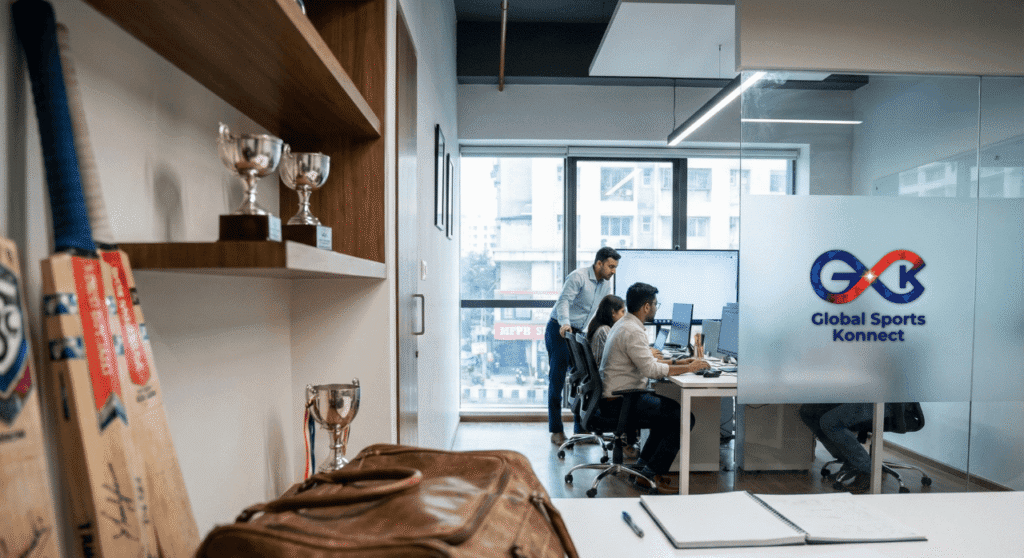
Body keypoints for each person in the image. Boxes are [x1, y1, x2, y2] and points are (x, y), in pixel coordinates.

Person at [598, 282, 710, 492]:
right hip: (621, 401)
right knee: (682, 417)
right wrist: (689, 368)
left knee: (669, 416)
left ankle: (644, 472)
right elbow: (651, 369)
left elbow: (645, 362)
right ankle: (651, 473)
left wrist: (682, 363)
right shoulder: (633, 331)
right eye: (656, 304)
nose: (657, 308)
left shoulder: (624, 325)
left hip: (618, 398)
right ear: (647, 307)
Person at [546, 247, 621, 445]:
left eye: (615, 267)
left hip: (578, 332)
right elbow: (564, 301)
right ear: (599, 263)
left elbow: (603, 311)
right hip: (559, 329)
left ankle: (581, 430)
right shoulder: (578, 277)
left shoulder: (606, 285)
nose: (613, 271)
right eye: (610, 266)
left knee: (583, 380)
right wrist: (564, 323)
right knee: (557, 379)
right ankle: (556, 430)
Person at [798, 403, 892, 493]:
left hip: (888, 404)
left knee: (830, 421)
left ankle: (867, 470)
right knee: (808, 411)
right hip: (861, 397)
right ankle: (851, 460)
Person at [586, 294, 625, 362]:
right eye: (622, 311)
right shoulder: (604, 330)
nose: (624, 315)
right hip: (605, 371)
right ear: (613, 312)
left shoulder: (600, 327)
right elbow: (619, 356)